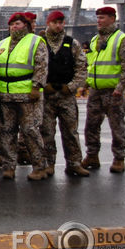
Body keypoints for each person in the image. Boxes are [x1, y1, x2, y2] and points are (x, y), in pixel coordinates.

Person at [82, 6, 125, 173]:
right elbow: (91, 65)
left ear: (113, 18)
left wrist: (121, 86)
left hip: (113, 91)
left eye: (103, 18)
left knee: (116, 126)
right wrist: (86, 84)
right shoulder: (94, 40)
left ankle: (119, 158)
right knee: (91, 125)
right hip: (96, 90)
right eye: (98, 18)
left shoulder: (121, 39)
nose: (99, 20)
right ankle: (92, 155)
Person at [0, 12, 48, 180]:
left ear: (26, 25)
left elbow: (41, 65)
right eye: (12, 24)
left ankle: (39, 167)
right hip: (5, 95)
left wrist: (36, 86)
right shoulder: (2, 44)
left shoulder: (35, 41)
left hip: (27, 95)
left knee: (30, 131)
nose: (14, 27)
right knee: (6, 132)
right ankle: (8, 166)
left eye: (18, 24)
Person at [39, 11, 90, 177]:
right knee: (46, 132)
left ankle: (74, 163)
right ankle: (48, 164)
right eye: (55, 22)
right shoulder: (40, 42)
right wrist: (41, 86)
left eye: (61, 22)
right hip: (47, 96)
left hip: (66, 95)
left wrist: (73, 86)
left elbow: (82, 67)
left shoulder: (71, 43)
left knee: (71, 132)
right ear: (48, 23)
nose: (59, 26)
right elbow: (33, 67)